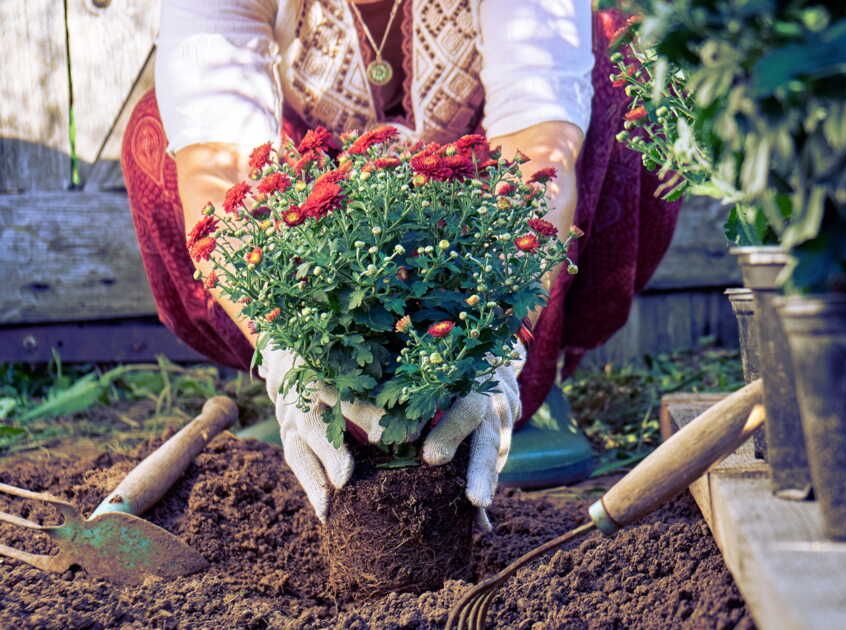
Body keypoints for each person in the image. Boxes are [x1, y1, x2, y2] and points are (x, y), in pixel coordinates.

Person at [122, 0, 679, 522]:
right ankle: (319, 402)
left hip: (470, 233)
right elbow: (215, 169)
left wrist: (497, 349)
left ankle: (518, 380)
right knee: (158, 131)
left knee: (623, 69)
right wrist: (283, 348)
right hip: (329, 252)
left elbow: (541, 152)